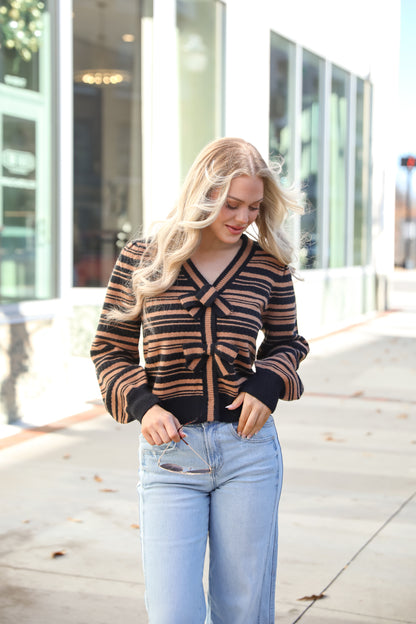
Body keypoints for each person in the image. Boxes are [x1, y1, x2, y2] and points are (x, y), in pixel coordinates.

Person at [91, 137, 309, 624]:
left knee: (242, 611)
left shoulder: (268, 267)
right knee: (172, 612)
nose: (243, 217)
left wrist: (267, 384)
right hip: (171, 457)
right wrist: (144, 405)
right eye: (231, 204)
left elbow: (288, 343)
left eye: (254, 207)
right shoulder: (142, 258)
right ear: (202, 194)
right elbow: (109, 348)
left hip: (248, 452)